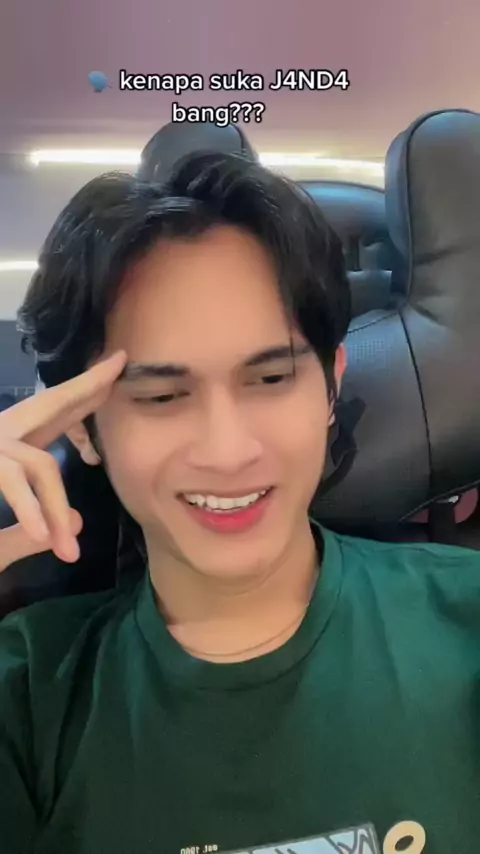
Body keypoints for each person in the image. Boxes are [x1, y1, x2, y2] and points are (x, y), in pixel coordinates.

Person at [0, 152, 479, 854]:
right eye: (162, 396)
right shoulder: (27, 694)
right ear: (83, 426)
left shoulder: (466, 622)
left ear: (330, 387)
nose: (228, 453)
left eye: (271, 378)